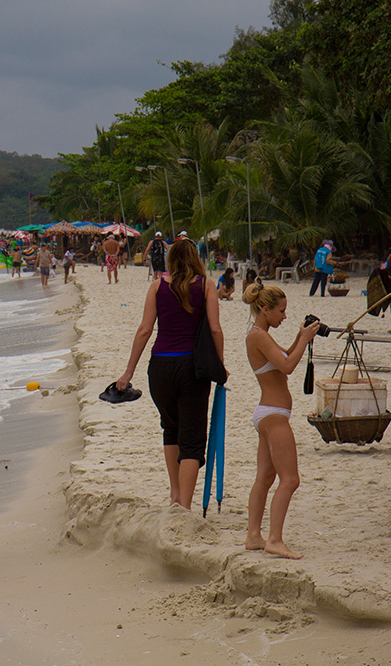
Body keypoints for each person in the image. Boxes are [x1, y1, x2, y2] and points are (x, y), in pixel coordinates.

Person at [115, 239, 224, 509]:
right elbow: (215, 329)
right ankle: (184, 506)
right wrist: (219, 366)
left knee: (170, 428)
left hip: (159, 368)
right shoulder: (206, 285)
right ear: (196, 258)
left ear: (170, 259)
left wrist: (128, 373)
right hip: (192, 368)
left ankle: (175, 495)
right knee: (193, 437)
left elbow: (144, 330)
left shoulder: (157, 287)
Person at [242, 284, 320, 559]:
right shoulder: (259, 336)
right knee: (290, 480)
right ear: (265, 309)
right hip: (274, 414)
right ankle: (274, 539)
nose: (284, 316)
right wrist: (305, 341)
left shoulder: (260, 335)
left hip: (269, 412)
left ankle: (254, 535)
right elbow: (288, 367)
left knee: (264, 478)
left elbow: (283, 359)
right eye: (281, 310)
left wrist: (301, 337)